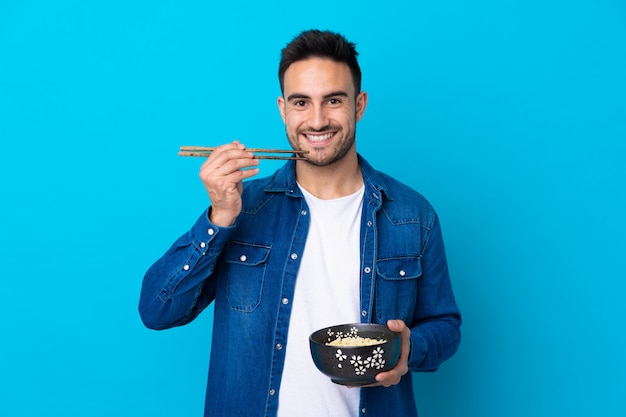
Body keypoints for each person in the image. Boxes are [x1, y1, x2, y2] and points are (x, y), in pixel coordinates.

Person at [139, 29, 461, 417]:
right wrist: (219, 218)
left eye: (334, 100)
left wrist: (411, 348)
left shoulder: (412, 214)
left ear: (359, 105)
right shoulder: (243, 207)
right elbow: (158, 311)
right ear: (282, 109)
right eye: (301, 102)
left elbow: (445, 325)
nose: (318, 120)